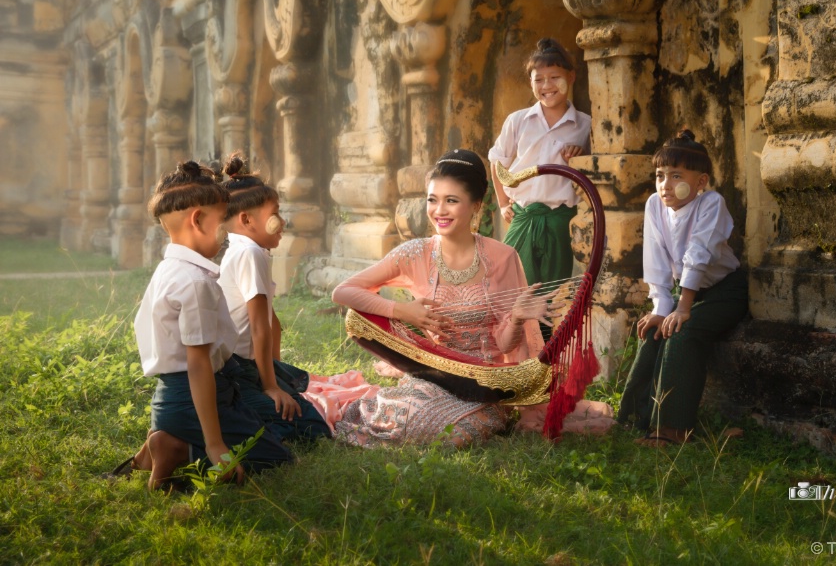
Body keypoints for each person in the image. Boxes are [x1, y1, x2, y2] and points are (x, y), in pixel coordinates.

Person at [319, 149, 614, 447]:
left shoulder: (502, 257)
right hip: (435, 376)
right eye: (432, 200)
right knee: (394, 417)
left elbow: (504, 345)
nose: (439, 211)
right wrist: (402, 311)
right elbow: (343, 291)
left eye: (451, 200)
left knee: (455, 437)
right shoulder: (414, 253)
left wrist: (517, 318)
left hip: (484, 386)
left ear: (476, 206)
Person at [107, 161, 291, 490]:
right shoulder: (195, 282)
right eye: (223, 221)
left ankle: (163, 441)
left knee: (264, 430)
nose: (228, 232)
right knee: (276, 458)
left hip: (169, 399)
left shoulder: (169, 269)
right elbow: (198, 365)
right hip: (193, 399)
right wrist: (214, 444)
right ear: (198, 220)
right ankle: (179, 447)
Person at [616, 131, 749, 447]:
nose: (665, 184)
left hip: (723, 292)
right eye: (660, 175)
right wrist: (661, 309)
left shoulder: (711, 204)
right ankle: (634, 419)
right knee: (654, 332)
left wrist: (683, 308)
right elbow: (656, 260)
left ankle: (672, 431)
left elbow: (698, 254)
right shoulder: (654, 205)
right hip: (684, 294)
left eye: (676, 176)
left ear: (701, 181)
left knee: (681, 334)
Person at [218, 153, 331, 442]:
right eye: (275, 213)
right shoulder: (249, 253)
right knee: (313, 430)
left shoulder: (249, 250)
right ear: (246, 219)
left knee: (298, 386)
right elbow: (259, 326)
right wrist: (271, 387)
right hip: (237, 370)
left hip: (252, 366)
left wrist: (275, 374)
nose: (283, 221)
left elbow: (271, 320)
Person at [488, 38, 591, 293]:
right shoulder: (518, 120)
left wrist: (578, 159)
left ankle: (546, 336)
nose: (547, 86)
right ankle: (515, 335)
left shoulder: (586, 125)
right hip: (523, 216)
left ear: (572, 76)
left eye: (555, 77)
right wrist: (502, 204)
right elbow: (497, 161)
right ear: (531, 82)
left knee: (551, 294)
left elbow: (591, 175)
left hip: (561, 219)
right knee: (510, 288)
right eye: (539, 79)